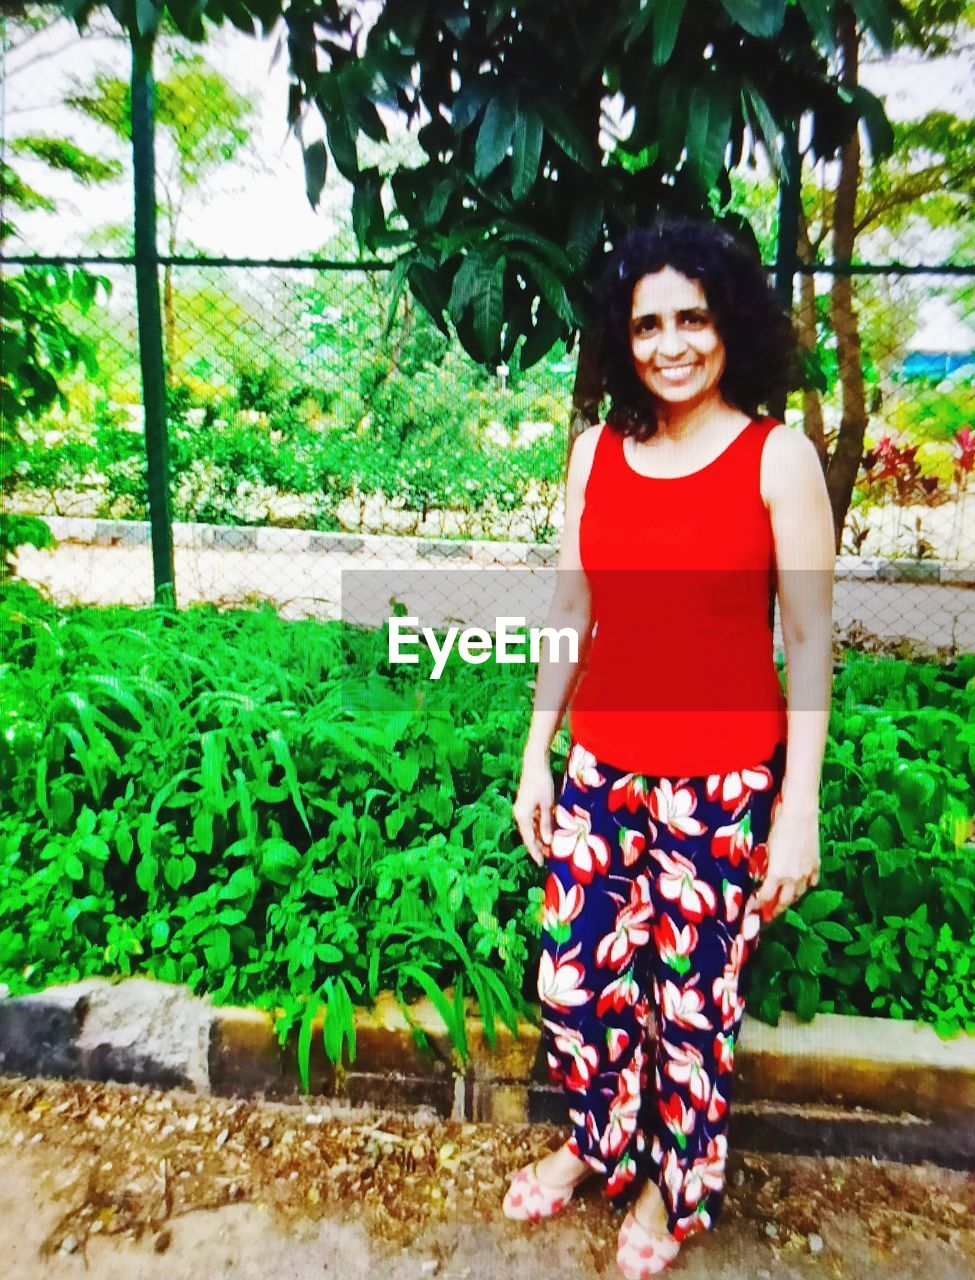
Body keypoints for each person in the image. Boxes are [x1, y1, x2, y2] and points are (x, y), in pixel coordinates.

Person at [503, 218, 835, 1278]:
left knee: (691, 1004)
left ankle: (670, 1182)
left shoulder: (779, 458)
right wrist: (536, 750)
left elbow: (813, 641)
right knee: (576, 986)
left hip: (724, 788)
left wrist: (799, 806)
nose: (671, 342)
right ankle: (596, 1141)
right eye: (648, 322)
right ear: (625, 335)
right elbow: (569, 604)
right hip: (602, 773)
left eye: (693, 316)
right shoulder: (597, 452)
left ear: (730, 321)